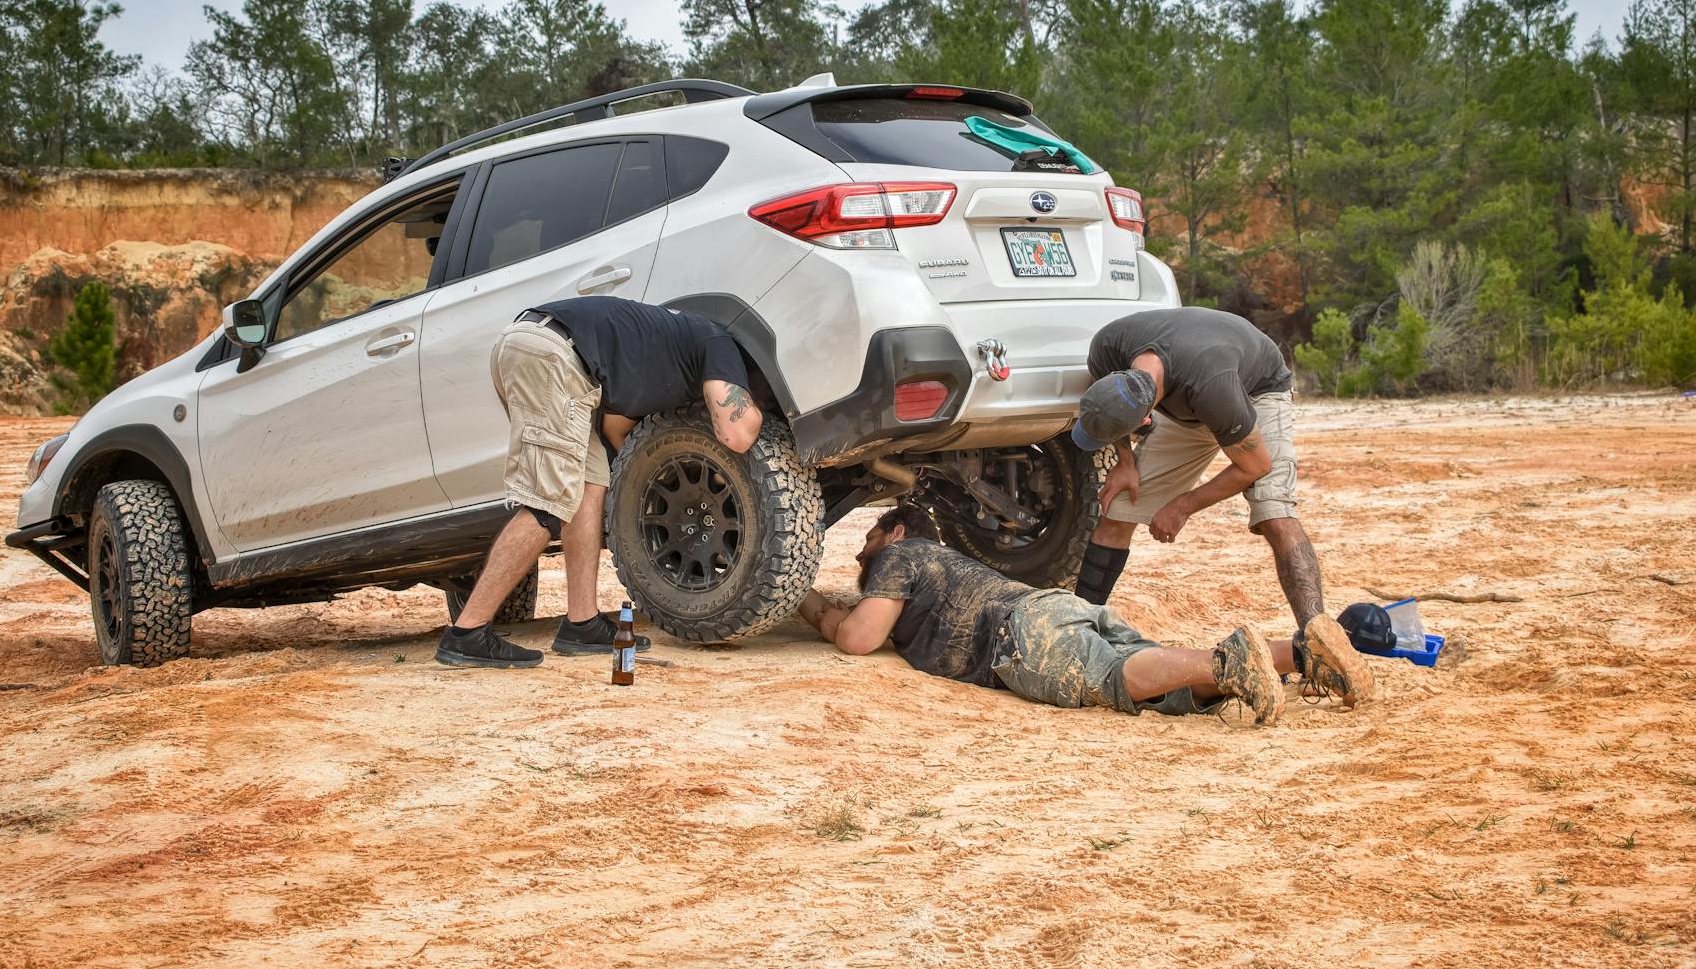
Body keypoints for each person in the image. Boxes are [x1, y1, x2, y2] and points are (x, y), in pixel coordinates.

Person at [795, 506, 1365, 724]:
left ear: (895, 530)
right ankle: (1302, 653)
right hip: (1053, 610)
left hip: (1019, 636)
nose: (858, 551)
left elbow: (860, 638)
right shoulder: (941, 566)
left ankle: (1229, 661)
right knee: (1160, 681)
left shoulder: (901, 552)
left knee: (1113, 679)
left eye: (866, 538)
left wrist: (805, 599)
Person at [1068, 307, 1374, 706]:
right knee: (1119, 512)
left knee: (1274, 513)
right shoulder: (1106, 348)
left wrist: (1182, 505)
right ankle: (1078, 629)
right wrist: (1125, 462)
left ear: (1146, 417)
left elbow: (1254, 465)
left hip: (1253, 390)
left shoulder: (1217, 389)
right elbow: (1109, 415)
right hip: (1186, 400)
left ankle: (1318, 640)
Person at [437, 296, 764, 669]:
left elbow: (614, 428)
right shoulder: (717, 343)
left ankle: (582, 623)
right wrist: (761, 415)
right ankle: (467, 634)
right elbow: (737, 433)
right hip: (553, 357)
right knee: (549, 502)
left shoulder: (668, 352)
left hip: (553, 358)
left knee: (591, 484)